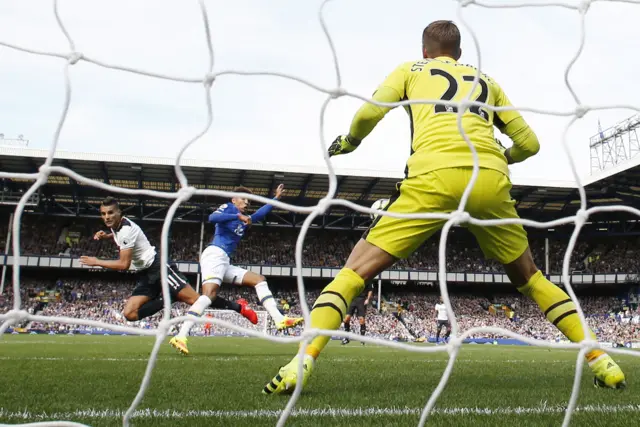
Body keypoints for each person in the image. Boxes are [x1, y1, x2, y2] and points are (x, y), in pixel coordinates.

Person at [262, 20, 626, 394]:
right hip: (489, 178)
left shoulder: (409, 70)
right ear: (460, 54)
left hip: (432, 174)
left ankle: (300, 360)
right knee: (531, 278)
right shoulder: (488, 81)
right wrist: (503, 156)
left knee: (355, 272)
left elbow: (370, 113)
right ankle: (601, 360)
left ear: (425, 51)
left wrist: (351, 141)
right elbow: (530, 144)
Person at [170, 184, 303, 355]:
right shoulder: (229, 207)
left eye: (248, 200)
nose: (247, 202)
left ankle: (279, 319)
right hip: (215, 254)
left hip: (224, 260)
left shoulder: (245, 218)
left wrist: (275, 198)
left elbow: (260, 214)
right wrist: (237, 215)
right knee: (209, 295)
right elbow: (212, 218)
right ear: (234, 200)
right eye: (244, 199)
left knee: (259, 280)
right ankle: (181, 335)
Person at [79, 196, 255, 325]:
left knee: (196, 300)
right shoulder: (118, 227)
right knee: (130, 314)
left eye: (110, 213)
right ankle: (169, 298)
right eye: (103, 214)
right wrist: (107, 236)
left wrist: (97, 261)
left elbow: (123, 264)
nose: (107, 217)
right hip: (145, 274)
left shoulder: (125, 229)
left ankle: (238, 307)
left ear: (119, 213)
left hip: (159, 267)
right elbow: (121, 237)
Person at [341, 281, 374, 345]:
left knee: (361, 320)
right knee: (346, 319)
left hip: (362, 300)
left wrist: (368, 299)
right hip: (352, 299)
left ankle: (362, 339)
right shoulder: (354, 278)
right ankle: (346, 338)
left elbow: (370, 290)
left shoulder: (368, 279)